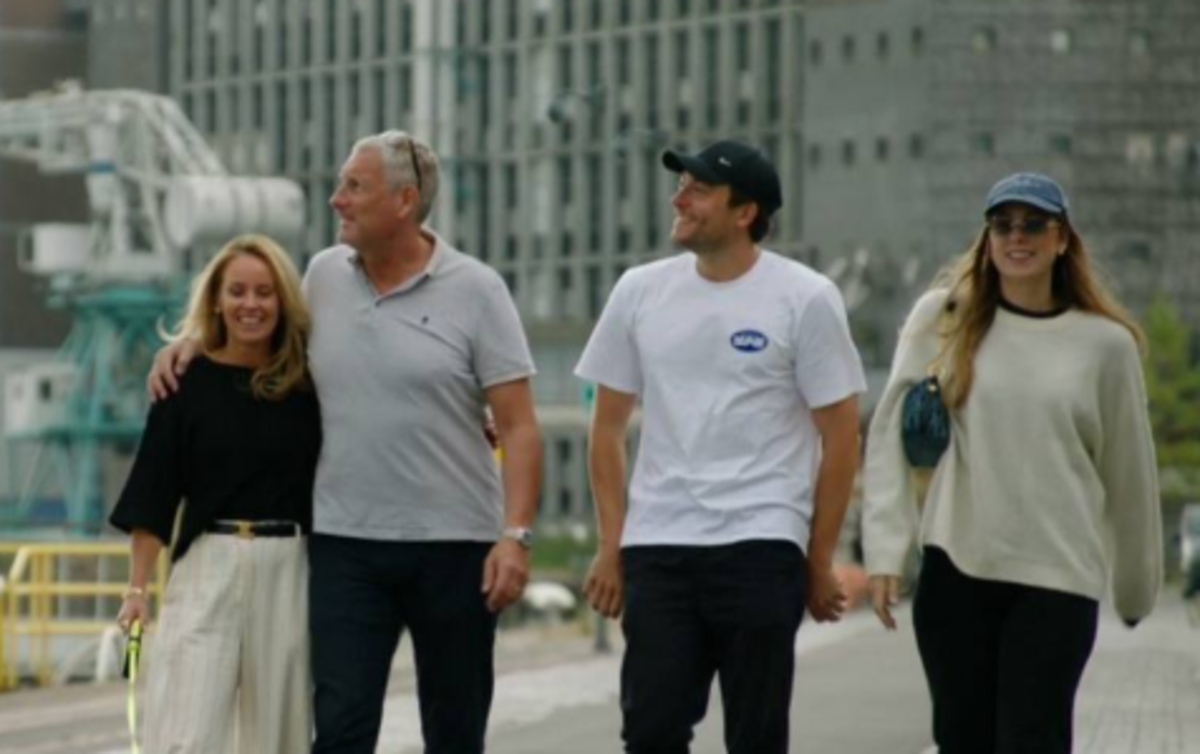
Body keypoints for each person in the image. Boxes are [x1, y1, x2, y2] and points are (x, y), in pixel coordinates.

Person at [149, 131, 543, 754]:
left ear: (404, 201)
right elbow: (264, 338)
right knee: (339, 734)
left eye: (354, 187)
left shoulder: (478, 289)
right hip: (345, 547)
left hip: (456, 547)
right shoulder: (324, 275)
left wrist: (515, 535)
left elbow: (519, 425)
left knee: (455, 735)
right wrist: (194, 342)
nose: (337, 199)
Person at [576, 139, 866, 753]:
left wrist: (818, 560)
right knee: (650, 731)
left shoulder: (806, 297)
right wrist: (610, 545)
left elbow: (841, 438)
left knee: (756, 738)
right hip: (659, 545)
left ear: (745, 212)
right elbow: (606, 428)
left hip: (762, 543)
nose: (679, 199)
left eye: (699, 189)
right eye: (681, 185)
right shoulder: (639, 290)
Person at [863, 172, 1163, 754]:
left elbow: (1130, 473)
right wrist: (885, 551)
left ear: (1062, 239)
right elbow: (887, 438)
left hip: (1057, 578)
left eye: (1033, 225)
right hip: (957, 571)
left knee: (1034, 739)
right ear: (988, 237)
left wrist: (1135, 587)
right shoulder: (944, 318)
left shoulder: (1106, 345)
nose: (1016, 237)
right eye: (1003, 225)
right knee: (961, 739)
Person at [113, 234, 321, 753]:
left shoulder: (309, 384)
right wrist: (136, 591)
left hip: (289, 567)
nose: (251, 304)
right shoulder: (182, 382)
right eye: (237, 291)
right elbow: (153, 493)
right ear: (216, 301)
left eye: (265, 292)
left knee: (279, 739)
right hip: (207, 564)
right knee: (186, 733)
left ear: (283, 302)